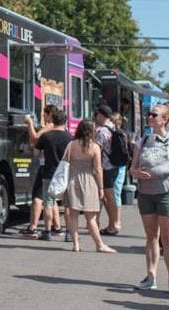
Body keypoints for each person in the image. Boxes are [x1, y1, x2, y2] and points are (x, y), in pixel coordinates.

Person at [131, 103, 169, 296]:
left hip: (167, 192)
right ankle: (151, 277)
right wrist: (136, 172)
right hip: (145, 192)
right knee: (151, 236)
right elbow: (132, 168)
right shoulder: (143, 140)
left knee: (168, 237)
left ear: (164, 119)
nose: (149, 117)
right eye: (149, 114)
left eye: (153, 114)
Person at [64, 119, 116, 253]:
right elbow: (98, 169)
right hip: (89, 182)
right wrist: (101, 188)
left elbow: (64, 162)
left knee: (73, 215)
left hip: (72, 180)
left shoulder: (71, 145)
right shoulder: (95, 147)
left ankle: (76, 244)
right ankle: (99, 244)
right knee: (91, 217)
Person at [25, 106, 71, 240]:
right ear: (65, 121)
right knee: (68, 205)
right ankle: (69, 233)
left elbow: (36, 153)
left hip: (49, 173)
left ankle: (47, 232)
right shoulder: (71, 138)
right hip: (66, 174)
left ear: (53, 120)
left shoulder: (46, 137)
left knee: (48, 203)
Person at [94, 106, 122, 236]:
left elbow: (96, 150)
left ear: (101, 115)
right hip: (114, 166)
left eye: (97, 115)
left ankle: (113, 225)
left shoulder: (102, 131)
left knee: (108, 198)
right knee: (109, 197)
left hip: (105, 167)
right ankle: (112, 224)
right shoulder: (113, 127)